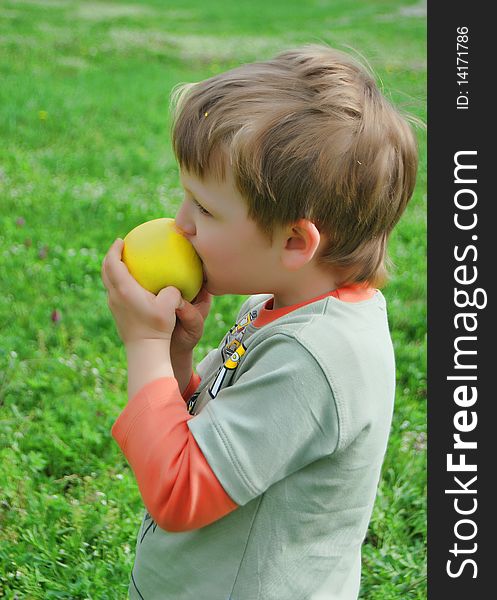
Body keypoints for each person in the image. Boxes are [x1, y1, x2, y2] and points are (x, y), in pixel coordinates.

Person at [101, 43, 418, 600]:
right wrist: (176, 356)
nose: (180, 224)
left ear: (296, 241)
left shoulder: (317, 358)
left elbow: (179, 491)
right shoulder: (275, 309)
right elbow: (206, 431)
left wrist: (145, 344)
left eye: (204, 209)